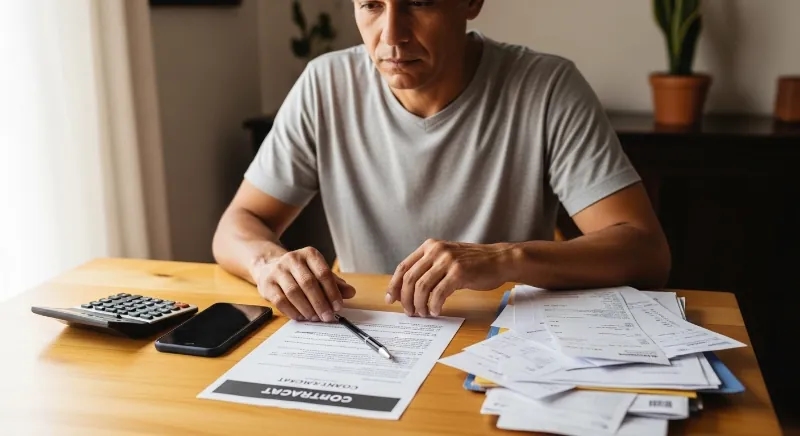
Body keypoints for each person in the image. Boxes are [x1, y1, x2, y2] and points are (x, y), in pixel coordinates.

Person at [212, 0, 671, 323]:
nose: (391, 36)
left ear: (472, 2)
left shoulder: (546, 86)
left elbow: (645, 252)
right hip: (368, 329)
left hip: (500, 337)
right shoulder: (325, 83)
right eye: (371, 4)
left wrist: (504, 258)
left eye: (419, 2)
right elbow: (240, 223)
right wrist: (267, 264)